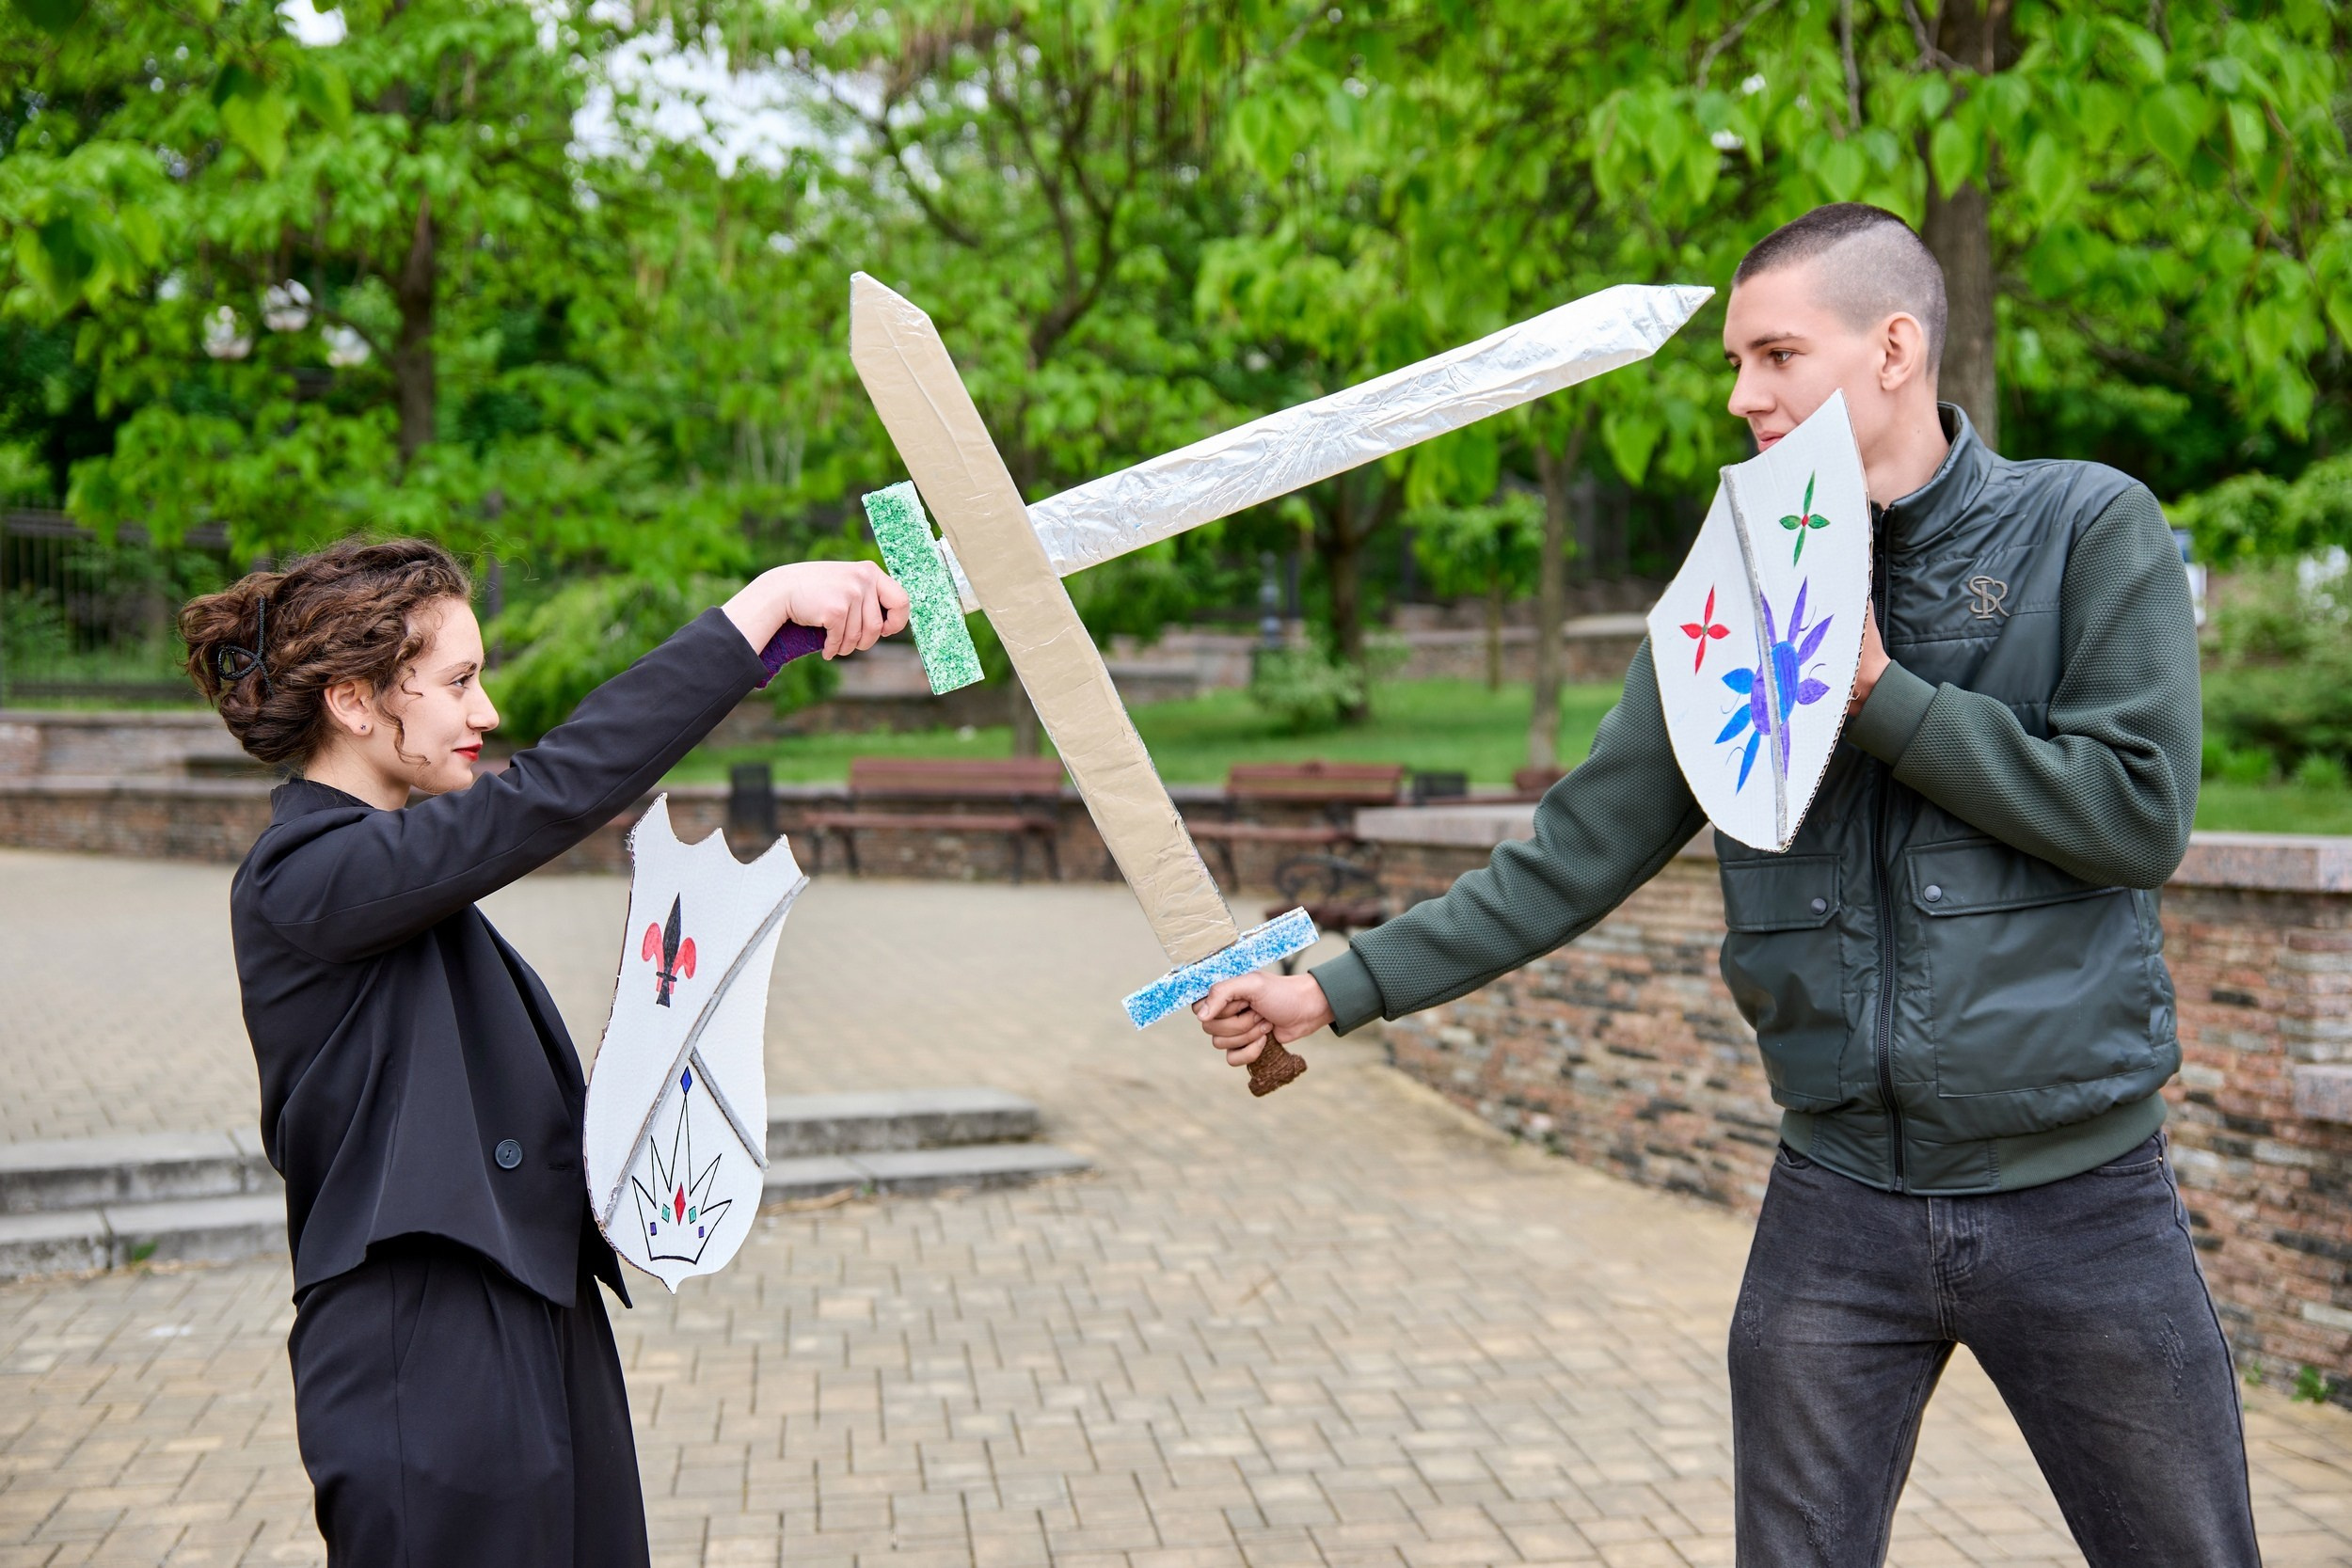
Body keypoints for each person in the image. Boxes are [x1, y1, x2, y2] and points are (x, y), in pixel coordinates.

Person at [1195, 204, 2252, 1567]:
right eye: (1738, 364)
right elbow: (1576, 847)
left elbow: (2136, 812)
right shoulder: (1733, 585)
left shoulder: (2082, 526)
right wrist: (1333, 988)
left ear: (1892, 347)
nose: (1744, 394)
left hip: (2081, 1193)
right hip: (1838, 1197)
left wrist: (1877, 693)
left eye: (1774, 355)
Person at [179, 539, 909, 1568]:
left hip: (533, 1317)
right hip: (423, 1343)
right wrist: (761, 615)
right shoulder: (304, 880)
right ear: (351, 701)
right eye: (459, 681)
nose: (486, 713)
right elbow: (548, 796)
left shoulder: (395, 883)